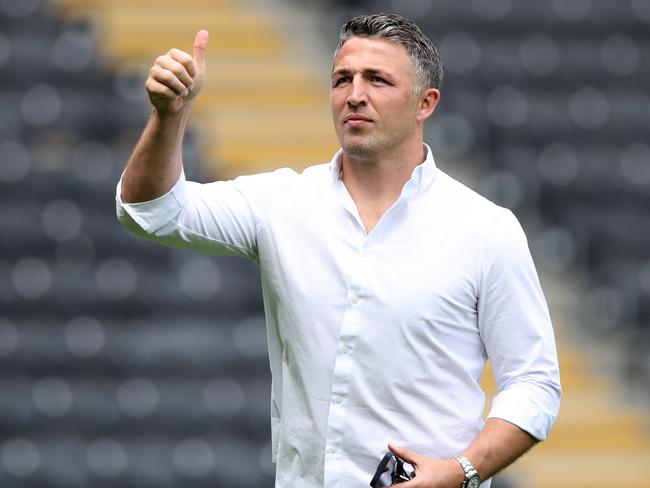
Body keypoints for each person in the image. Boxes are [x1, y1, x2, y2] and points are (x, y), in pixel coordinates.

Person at [116, 13, 561, 488]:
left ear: (424, 103)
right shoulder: (283, 204)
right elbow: (151, 210)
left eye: (378, 80)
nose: (354, 94)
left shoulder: (486, 230)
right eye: (342, 79)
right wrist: (170, 115)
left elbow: (534, 384)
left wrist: (461, 471)